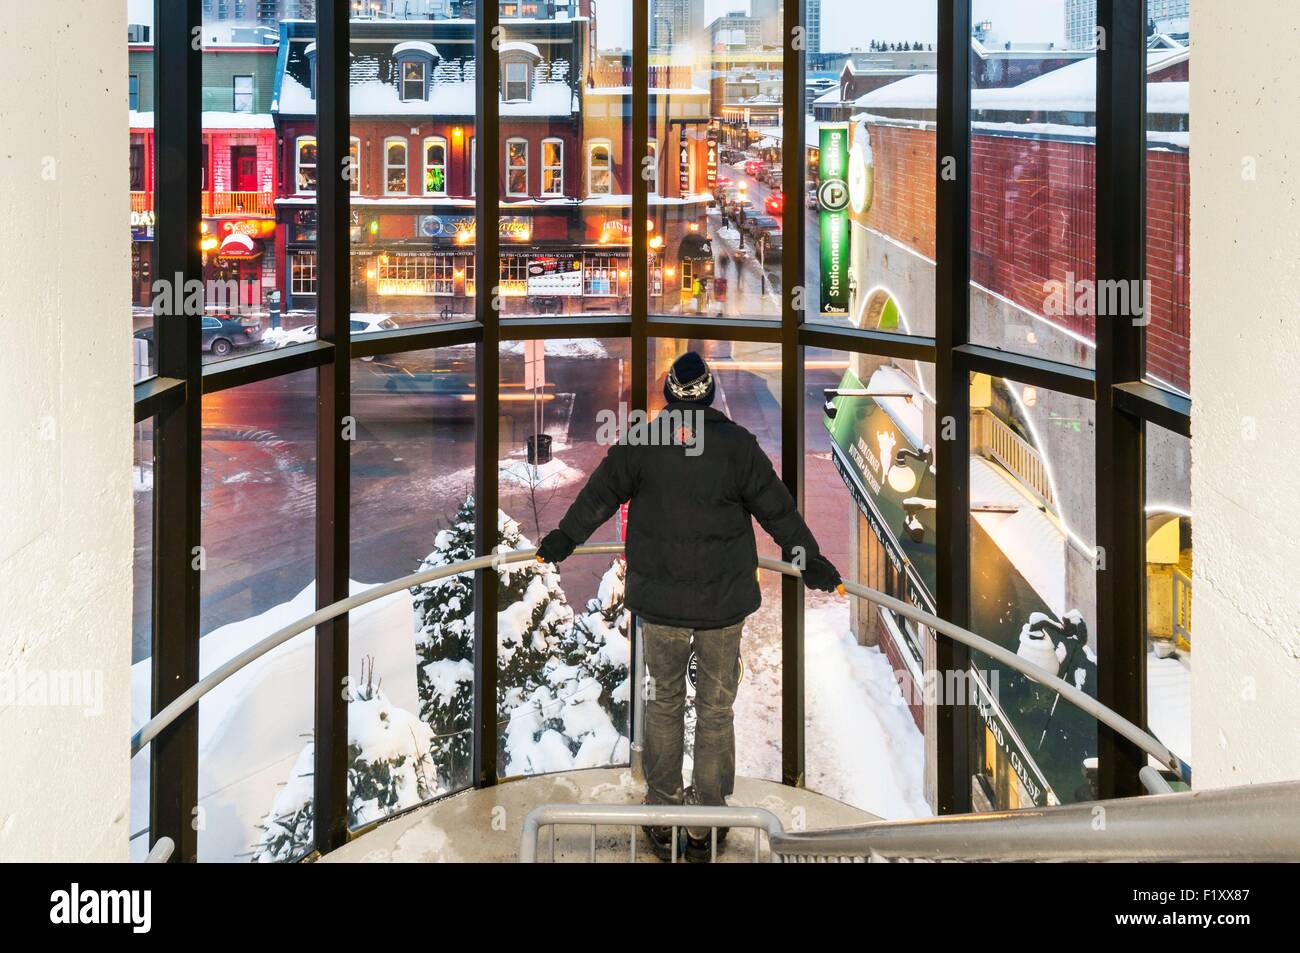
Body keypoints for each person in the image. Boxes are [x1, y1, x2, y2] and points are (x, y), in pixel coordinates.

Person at [535, 351, 842, 862]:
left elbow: (599, 496)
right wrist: (813, 563)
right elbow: (778, 510)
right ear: (711, 395)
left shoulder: (642, 442)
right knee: (716, 711)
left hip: (661, 607)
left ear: (671, 395)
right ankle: (708, 820)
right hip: (723, 607)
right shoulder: (738, 448)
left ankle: (662, 809)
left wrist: (564, 540)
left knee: (664, 705)